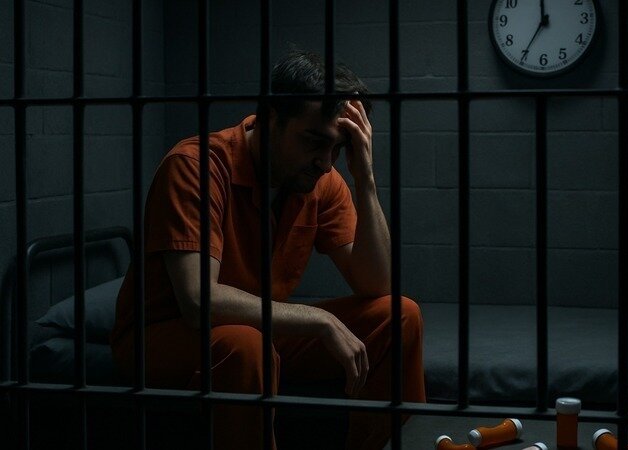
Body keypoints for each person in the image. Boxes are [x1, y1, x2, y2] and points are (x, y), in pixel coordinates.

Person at [109, 50, 426, 450]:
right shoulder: (195, 165)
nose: (326, 163)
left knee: (400, 315)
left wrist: (365, 177)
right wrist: (318, 320)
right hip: (165, 337)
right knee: (246, 346)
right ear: (271, 118)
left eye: (338, 148)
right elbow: (197, 302)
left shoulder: (319, 178)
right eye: (315, 142)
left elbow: (376, 284)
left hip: (257, 328)